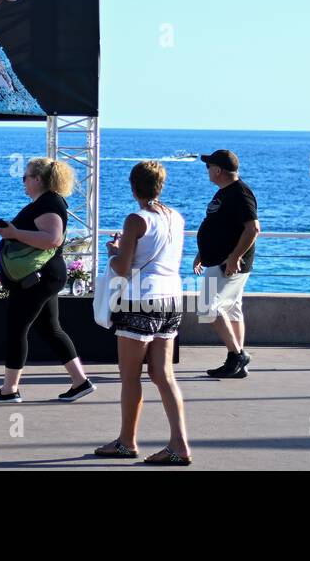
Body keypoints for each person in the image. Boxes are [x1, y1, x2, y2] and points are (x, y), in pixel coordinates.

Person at [93, 161, 191, 465]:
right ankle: (179, 444)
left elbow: (123, 268)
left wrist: (113, 251)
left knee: (130, 375)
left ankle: (126, 441)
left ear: (134, 186)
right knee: (163, 374)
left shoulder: (135, 219)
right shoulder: (176, 217)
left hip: (140, 300)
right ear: (160, 185)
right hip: (171, 298)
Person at [0, 157, 95, 403]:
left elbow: (52, 239)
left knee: (17, 329)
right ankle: (80, 382)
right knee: (50, 328)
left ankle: (9, 390)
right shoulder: (46, 202)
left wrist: (13, 233)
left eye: (26, 177)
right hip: (45, 276)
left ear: (38, 179)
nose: (23, 181)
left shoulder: (50, 203)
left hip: (38, 279)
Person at [194, 149, 259, 379]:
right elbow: (216, 224)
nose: (207, 171)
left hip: (227, 263)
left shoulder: (240, 193)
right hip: (217, 259)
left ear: (219, 170)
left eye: (209, 167)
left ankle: (237, 355)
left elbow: (253, 229)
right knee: (232, 309)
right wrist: (202, 252)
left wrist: (234, 257)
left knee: (206, 306)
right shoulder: (224, 192)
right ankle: (239, 364)